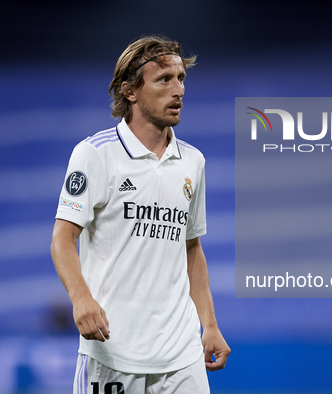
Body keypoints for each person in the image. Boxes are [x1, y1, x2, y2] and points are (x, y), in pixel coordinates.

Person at [50, 35, 230, 394]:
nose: (178, 90)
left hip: (182, 355)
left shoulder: (193, 162)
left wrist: (208, 325)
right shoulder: (95, 154)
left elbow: (191, 247)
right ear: (130, 90)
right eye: (164, 79)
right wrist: (81, 298)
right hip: (113, 352)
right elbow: (62, 238)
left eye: (181, 78)